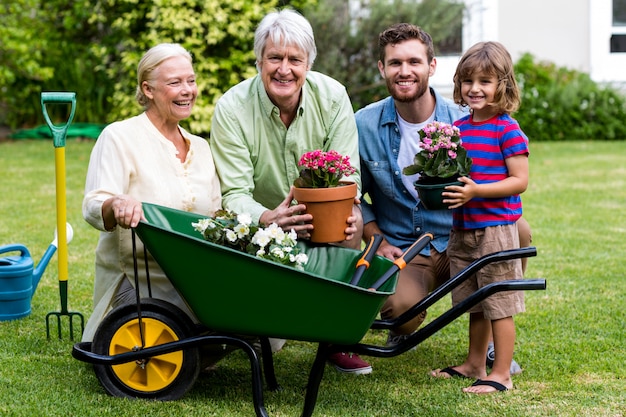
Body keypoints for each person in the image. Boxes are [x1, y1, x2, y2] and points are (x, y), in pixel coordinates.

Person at [356, 24, 529, 374]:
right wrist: (375, 234)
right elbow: (351, 191)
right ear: (382, 68)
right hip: (407, 247)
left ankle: (493, 345)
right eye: (394, 63)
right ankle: (408, 326)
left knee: (518, 233)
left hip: (462, 235)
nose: (405, 71)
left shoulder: (463, 121)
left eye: (414, 61)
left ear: (432, 66)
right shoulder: (364, 124)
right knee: (401, 313)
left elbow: (511, 171)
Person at [209, 8, 368, 374]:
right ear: (259, 60)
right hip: (262, 223)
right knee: (267, 332)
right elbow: (233, 192)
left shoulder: (331, 96)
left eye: (295, 59)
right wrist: (270, 218)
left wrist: (332, 209)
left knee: (352, 220)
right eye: (274, 57)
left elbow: (349, 175)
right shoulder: (232, 108)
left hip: (322, 214)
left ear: (308, 62)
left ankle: (335, 338)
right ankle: (265, 322)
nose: (284, 69)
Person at [81, 43, 222, 343]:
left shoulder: (201, 147)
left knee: (243, 325)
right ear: (148, 89)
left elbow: (216, 217)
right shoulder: (119, 136)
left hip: (192, 279)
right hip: (137, 277)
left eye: (191, 80)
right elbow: (93, 205)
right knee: (176, 344)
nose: (187, 90)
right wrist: (116, 202)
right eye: (175, 83)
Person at [430, 41, 529, 394]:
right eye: (468, 81)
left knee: (499, 303)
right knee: (473, 301)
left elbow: (520, 180)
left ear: (502, 85)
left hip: (497, 229)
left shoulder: (506, 128)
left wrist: (476, 192)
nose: (475, 89)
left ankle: (500, 374)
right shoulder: (459, 128)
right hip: (464, 228)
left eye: (485, 81)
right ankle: (474, 362)